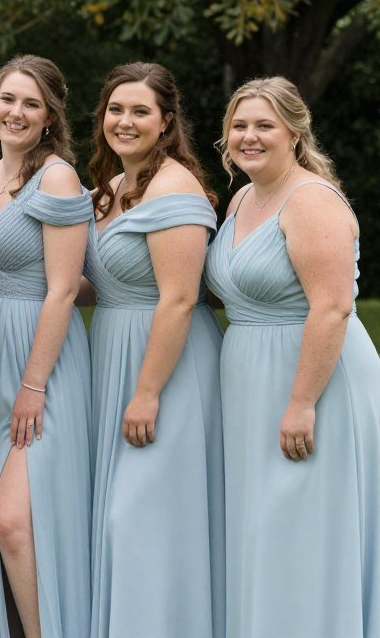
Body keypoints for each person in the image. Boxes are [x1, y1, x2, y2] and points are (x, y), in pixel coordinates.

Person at [204, 77, 380, 637]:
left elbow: (332, 308)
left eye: (265, 125)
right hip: (250, 382)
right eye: (239, 125)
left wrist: (301, 403)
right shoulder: (243, 198)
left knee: (301, 524)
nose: (249, 136)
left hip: (312, 380)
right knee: (263, 525)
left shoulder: (311, 201)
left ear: (295, 133)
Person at [85, 62, 224, 638]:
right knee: (129, 521)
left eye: (140, 111)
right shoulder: (113, 187)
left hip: (167, 367)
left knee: (140, 520)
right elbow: (104, 282)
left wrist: (146, 393)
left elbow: (180, 298)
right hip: (114, 354)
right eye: (115, 109)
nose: (125, 121)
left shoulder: (173, 186)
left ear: (166, 121)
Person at [0, 56, 92, 638]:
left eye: (31, 103)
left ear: (49, 117)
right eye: (8, 99)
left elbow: (64, 289)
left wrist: (33, 385)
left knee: (12, 522)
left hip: (41, 359)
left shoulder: (58, 178)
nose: (16, 112)